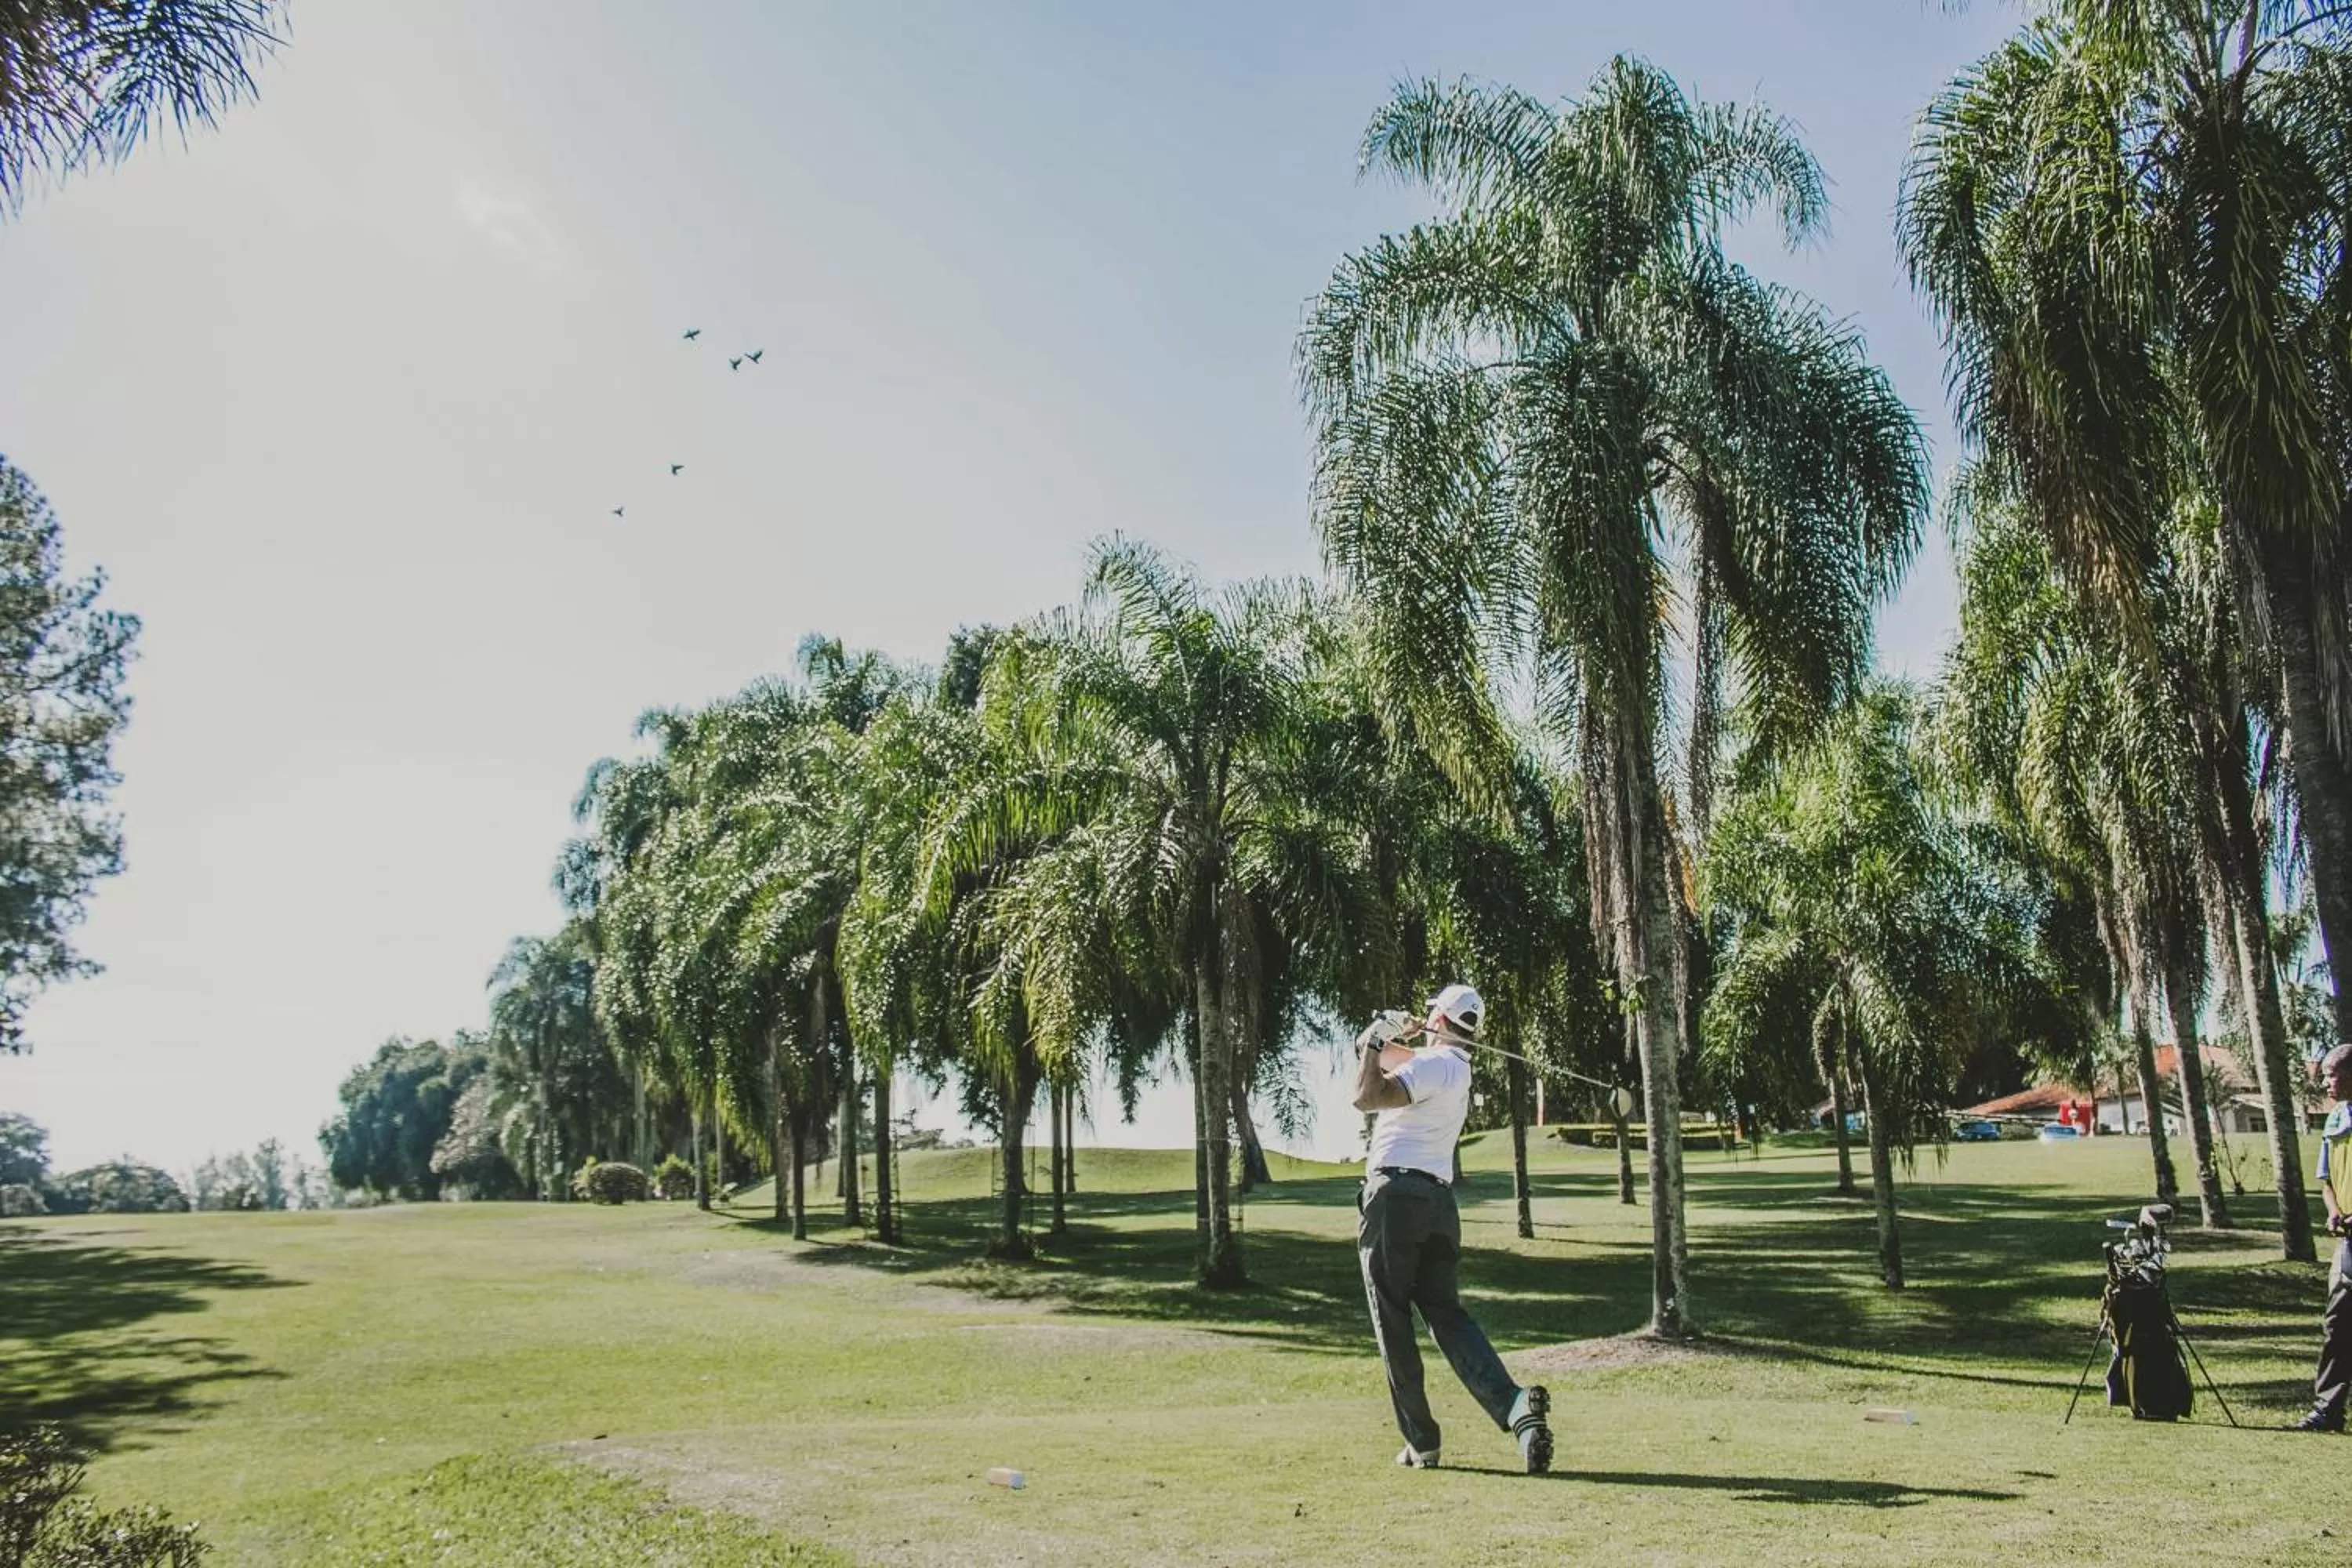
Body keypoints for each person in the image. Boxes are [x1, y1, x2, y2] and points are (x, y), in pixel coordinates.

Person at [1351, 982, 1552, 1472]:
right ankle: (1514, 1406)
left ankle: (1422, 1442)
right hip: (1439, 1205)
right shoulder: (1452, 1068)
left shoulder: (1432, 1064)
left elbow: (1365, 1096)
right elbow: (1370, 1051)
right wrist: (1379, 1036)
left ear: (1439, 1019)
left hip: (1395, 1199)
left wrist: (1381, 1039)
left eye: (1429, 1014)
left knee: (1392, 1319)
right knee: (1446, 1314)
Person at [2296, 1042, 2352, 1432]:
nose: (2327, 1082)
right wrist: (2333, 1210)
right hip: (2347, 1243)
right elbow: (2325, 1180)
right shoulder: (2335, 1121)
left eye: (2335, 1074)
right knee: (2338, 1325)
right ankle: (2327, 1409)